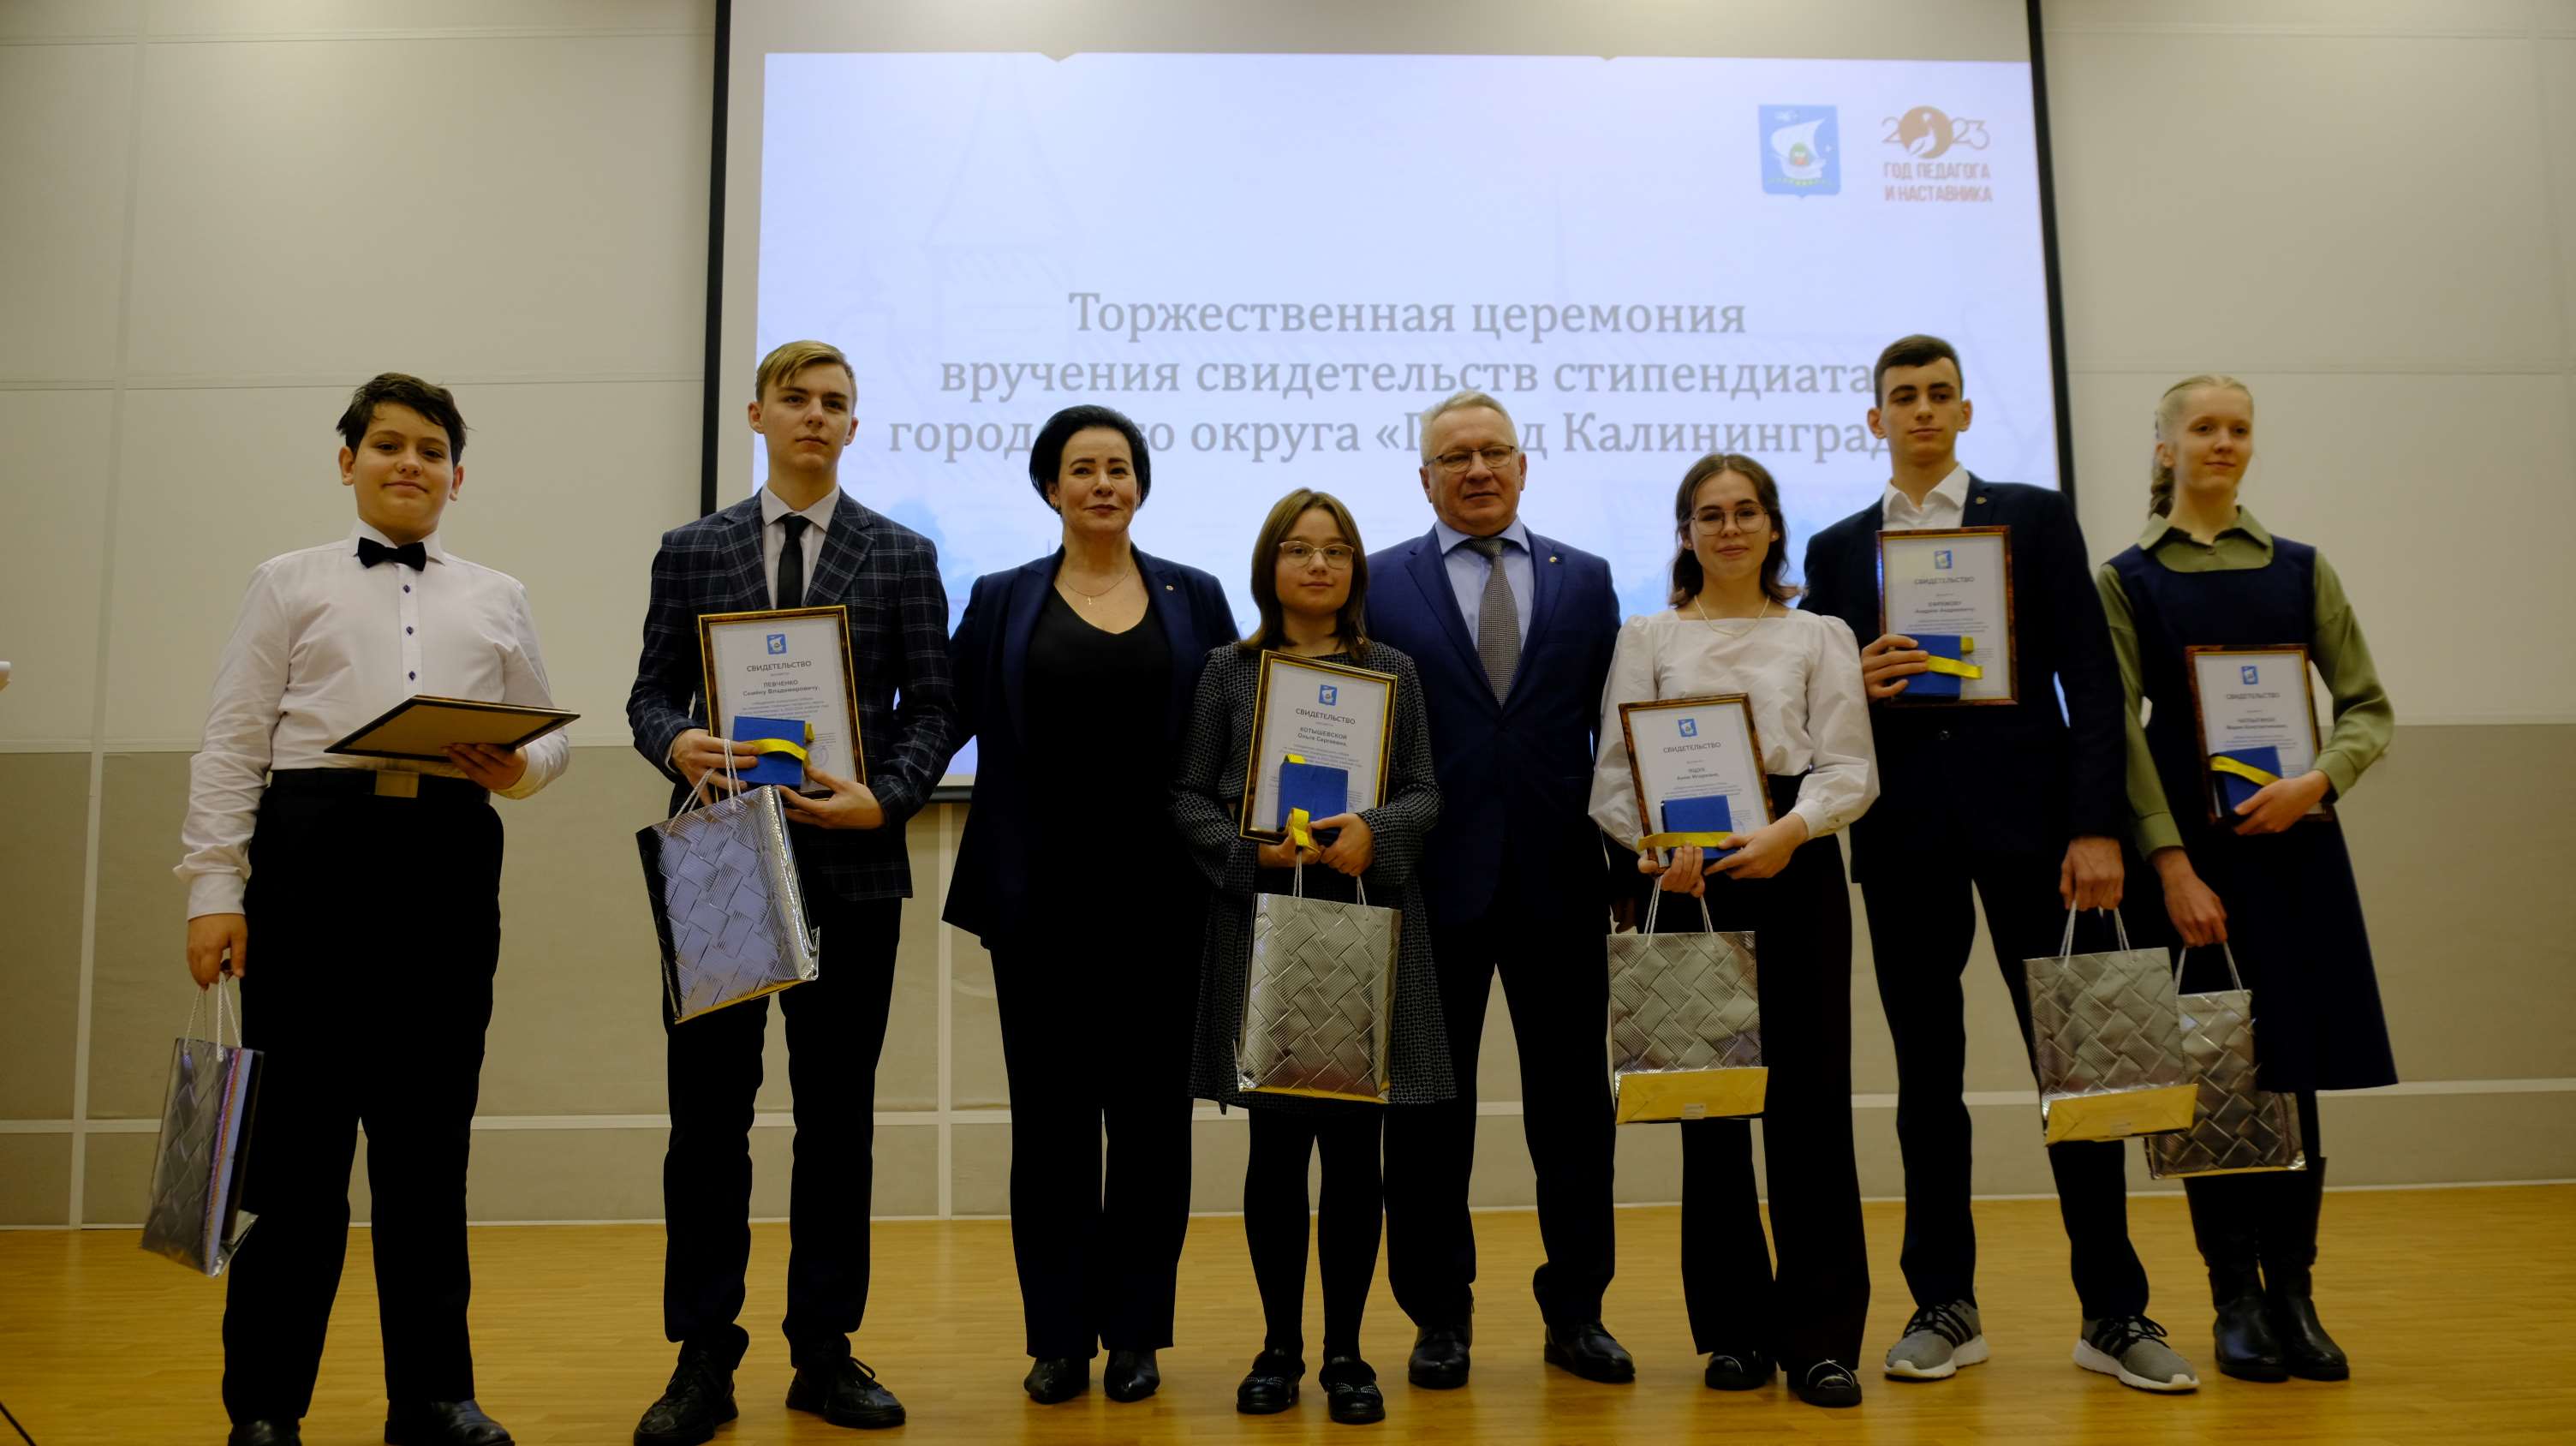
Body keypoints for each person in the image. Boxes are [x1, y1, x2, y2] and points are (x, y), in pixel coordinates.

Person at [1799, 334, 2198, 1393]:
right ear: (1874, 419)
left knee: (2078, 1072)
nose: (1922, 410)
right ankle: (1944, 1303)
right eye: (1902, 396)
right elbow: (1812, 708)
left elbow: (2091, 680)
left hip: (2042, 837)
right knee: (1926, 1082)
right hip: (1903, 841)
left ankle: (2113, 1310)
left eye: (1939, 394)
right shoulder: (1837, 550)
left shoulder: (2032, 516)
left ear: (1964, 412)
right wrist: (1853, 680)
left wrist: (2096, 826)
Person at [176, 373, 569, 1446]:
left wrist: (517, 767)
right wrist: (214, 890)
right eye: (389, 444)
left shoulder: (497, 593)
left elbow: (549, 738)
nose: (411, 463)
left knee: (427, 1149)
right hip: (311, 856)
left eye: (431, 450)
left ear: (456, 476)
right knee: (293, 1158)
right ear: (347, 461)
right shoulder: (286, 581)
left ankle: (433, 1396)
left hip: (447, 859)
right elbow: (233, 741)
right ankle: (265, 1404)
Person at [625, 339, 957, 1443]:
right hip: (719, 857)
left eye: (835, 402)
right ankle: (701, 1357)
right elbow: (648, 693)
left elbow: (934, 705)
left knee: (837, 1117)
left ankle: (822, 1349)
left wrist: (888, 796)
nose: (815, 415)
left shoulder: (901, 553)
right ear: (757, 414)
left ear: (853, 425)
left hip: (851, 864)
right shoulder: (692, 549)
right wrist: (676, 742)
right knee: (706, 1120)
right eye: (796, 398)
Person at [2099, 374, 2396, 1384]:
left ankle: (2294, 1294)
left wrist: (2318, 778)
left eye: (2236, 427)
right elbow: (2117, 729)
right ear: (2164, 447)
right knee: (2213, 1073)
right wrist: (2170, 863)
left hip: (2296, 849)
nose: (2220, 441)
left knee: (2293, 1070)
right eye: (2201, 427)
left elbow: (2365, 705)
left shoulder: (2300, 568)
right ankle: (2232, 1297)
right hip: (2195, 863)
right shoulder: (2125, 578)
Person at [943, 404, 1238, 1405]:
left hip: (1167, 900)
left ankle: (1137, 1332)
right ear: (1050, 487)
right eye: (1082, 468)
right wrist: (862, 776)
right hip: (1037, 901)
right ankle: (1060, 1336)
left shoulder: (1194, 595)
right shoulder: (1001, 598)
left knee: (1153, 1126)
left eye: (1118, 467)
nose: (1102, 483)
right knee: (1052, 1127)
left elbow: (1240, 729)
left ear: (1139, 486)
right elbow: (945, 715)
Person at [1588, 452, 1878, 1407]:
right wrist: (1654, 846)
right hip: (1688, 875)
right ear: (1685, 534)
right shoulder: (1649, 634)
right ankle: (1734, 1333)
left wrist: (1788, 832)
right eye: (1708, 515)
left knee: (1810, 1107)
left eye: (1745, 511)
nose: (1728, 528)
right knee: (1709, 1108)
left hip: (1794, 864)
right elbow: (1615, 775)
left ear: (1772, 526)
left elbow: (1848, 767)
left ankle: (1821, 1338)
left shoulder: (1820, 633)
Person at [1363, 390, 1633, 1389]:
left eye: (1493, 452)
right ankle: (1439, 1313)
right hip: (1426, 884)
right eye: (1455, 457)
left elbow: (1617, 732)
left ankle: (1578, 1309)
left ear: (1522, 466)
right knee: (1427, 1116)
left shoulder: (1585, 578)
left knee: (1572, 1113)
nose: (1476, 469)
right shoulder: (1377, 580)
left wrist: (1628, 865)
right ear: (1424, 477)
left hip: (1559, 883)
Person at [1171, 489, 1453, 1426]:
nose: (1318, 564)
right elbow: (1188, 795)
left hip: (1365, 917)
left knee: (1356, 1153)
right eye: (1298, 549)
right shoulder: (1227, 670)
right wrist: (1244, 853)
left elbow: (1422, 790)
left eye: (1335, 550)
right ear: (1270, 567)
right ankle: (1278, 1346)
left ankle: (1345, 1352)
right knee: (1276, 1149)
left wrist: (1376, 831)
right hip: (1261, 923)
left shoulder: (1392, 671)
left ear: (1355, 569)